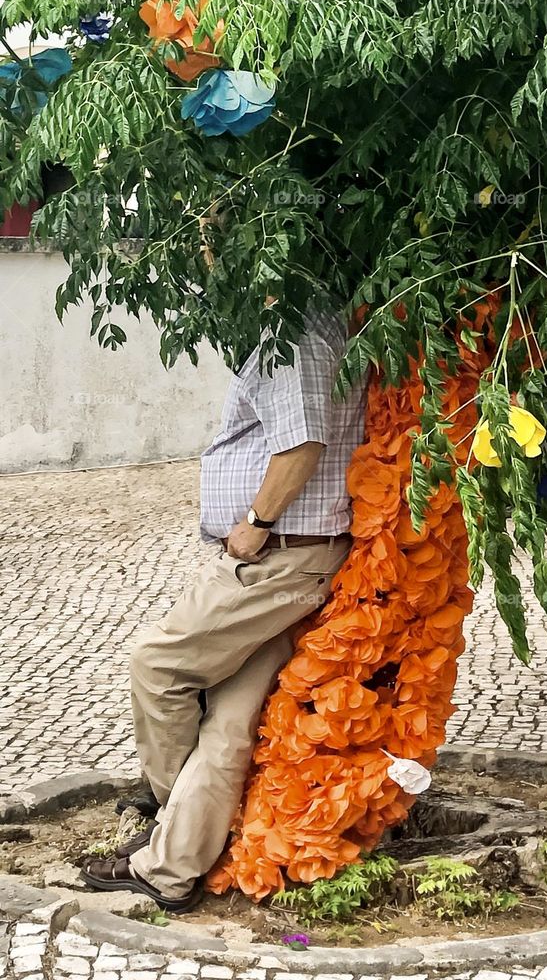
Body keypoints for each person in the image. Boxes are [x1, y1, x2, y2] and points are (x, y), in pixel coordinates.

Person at [82, 310, 367, 910]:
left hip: (277, 557)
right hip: (296, 557)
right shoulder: (312, 322)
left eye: (212, 222)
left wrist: (256, 525)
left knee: (158, 666)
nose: (208, 243)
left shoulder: (299, 327)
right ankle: (173, 864)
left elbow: (302, 444)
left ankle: (171, 821)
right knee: (231, 720)